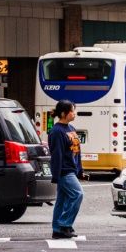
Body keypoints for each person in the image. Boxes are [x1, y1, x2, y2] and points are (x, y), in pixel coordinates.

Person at [48, 99, 83, 240]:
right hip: (64, 170)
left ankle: (57, 229)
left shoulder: (71, 128)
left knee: (61, 201)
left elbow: (77, 151)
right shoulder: (56, 131)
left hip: (71, 169)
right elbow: (57, 155)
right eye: (72, 111)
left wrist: (80, 169)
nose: (74, 114)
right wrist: (56, 175)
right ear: (63, 113)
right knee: (77, 194)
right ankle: (64, 224)